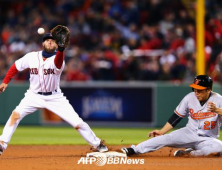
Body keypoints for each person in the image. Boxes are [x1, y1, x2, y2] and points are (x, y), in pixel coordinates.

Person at [0, 26, 108, 155]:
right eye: (47, 40)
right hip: (33, 95)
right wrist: (6, 81)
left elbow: (57, 63)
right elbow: (15, 67)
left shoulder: (59, 60)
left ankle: (97, 144)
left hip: (55, 97)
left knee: (77, 123)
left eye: (52, 40)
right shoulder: (31, 56)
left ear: (57, 44)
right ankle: (2, 144)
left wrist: (61, 50)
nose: (49, 41)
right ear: (43, 43)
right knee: (15, 115)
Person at [121, 75, 222, 157]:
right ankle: (134, 149)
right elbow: (176, 117)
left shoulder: (218, 99)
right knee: (165, 138)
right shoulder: (189, 98)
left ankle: (191, 153)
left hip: (208, 139)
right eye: (194, 89)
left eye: (199, 90)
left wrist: (217, 110)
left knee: (219, 147)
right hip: (189, 133)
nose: (196, 93)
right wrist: (161, 131)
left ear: (208, 90)